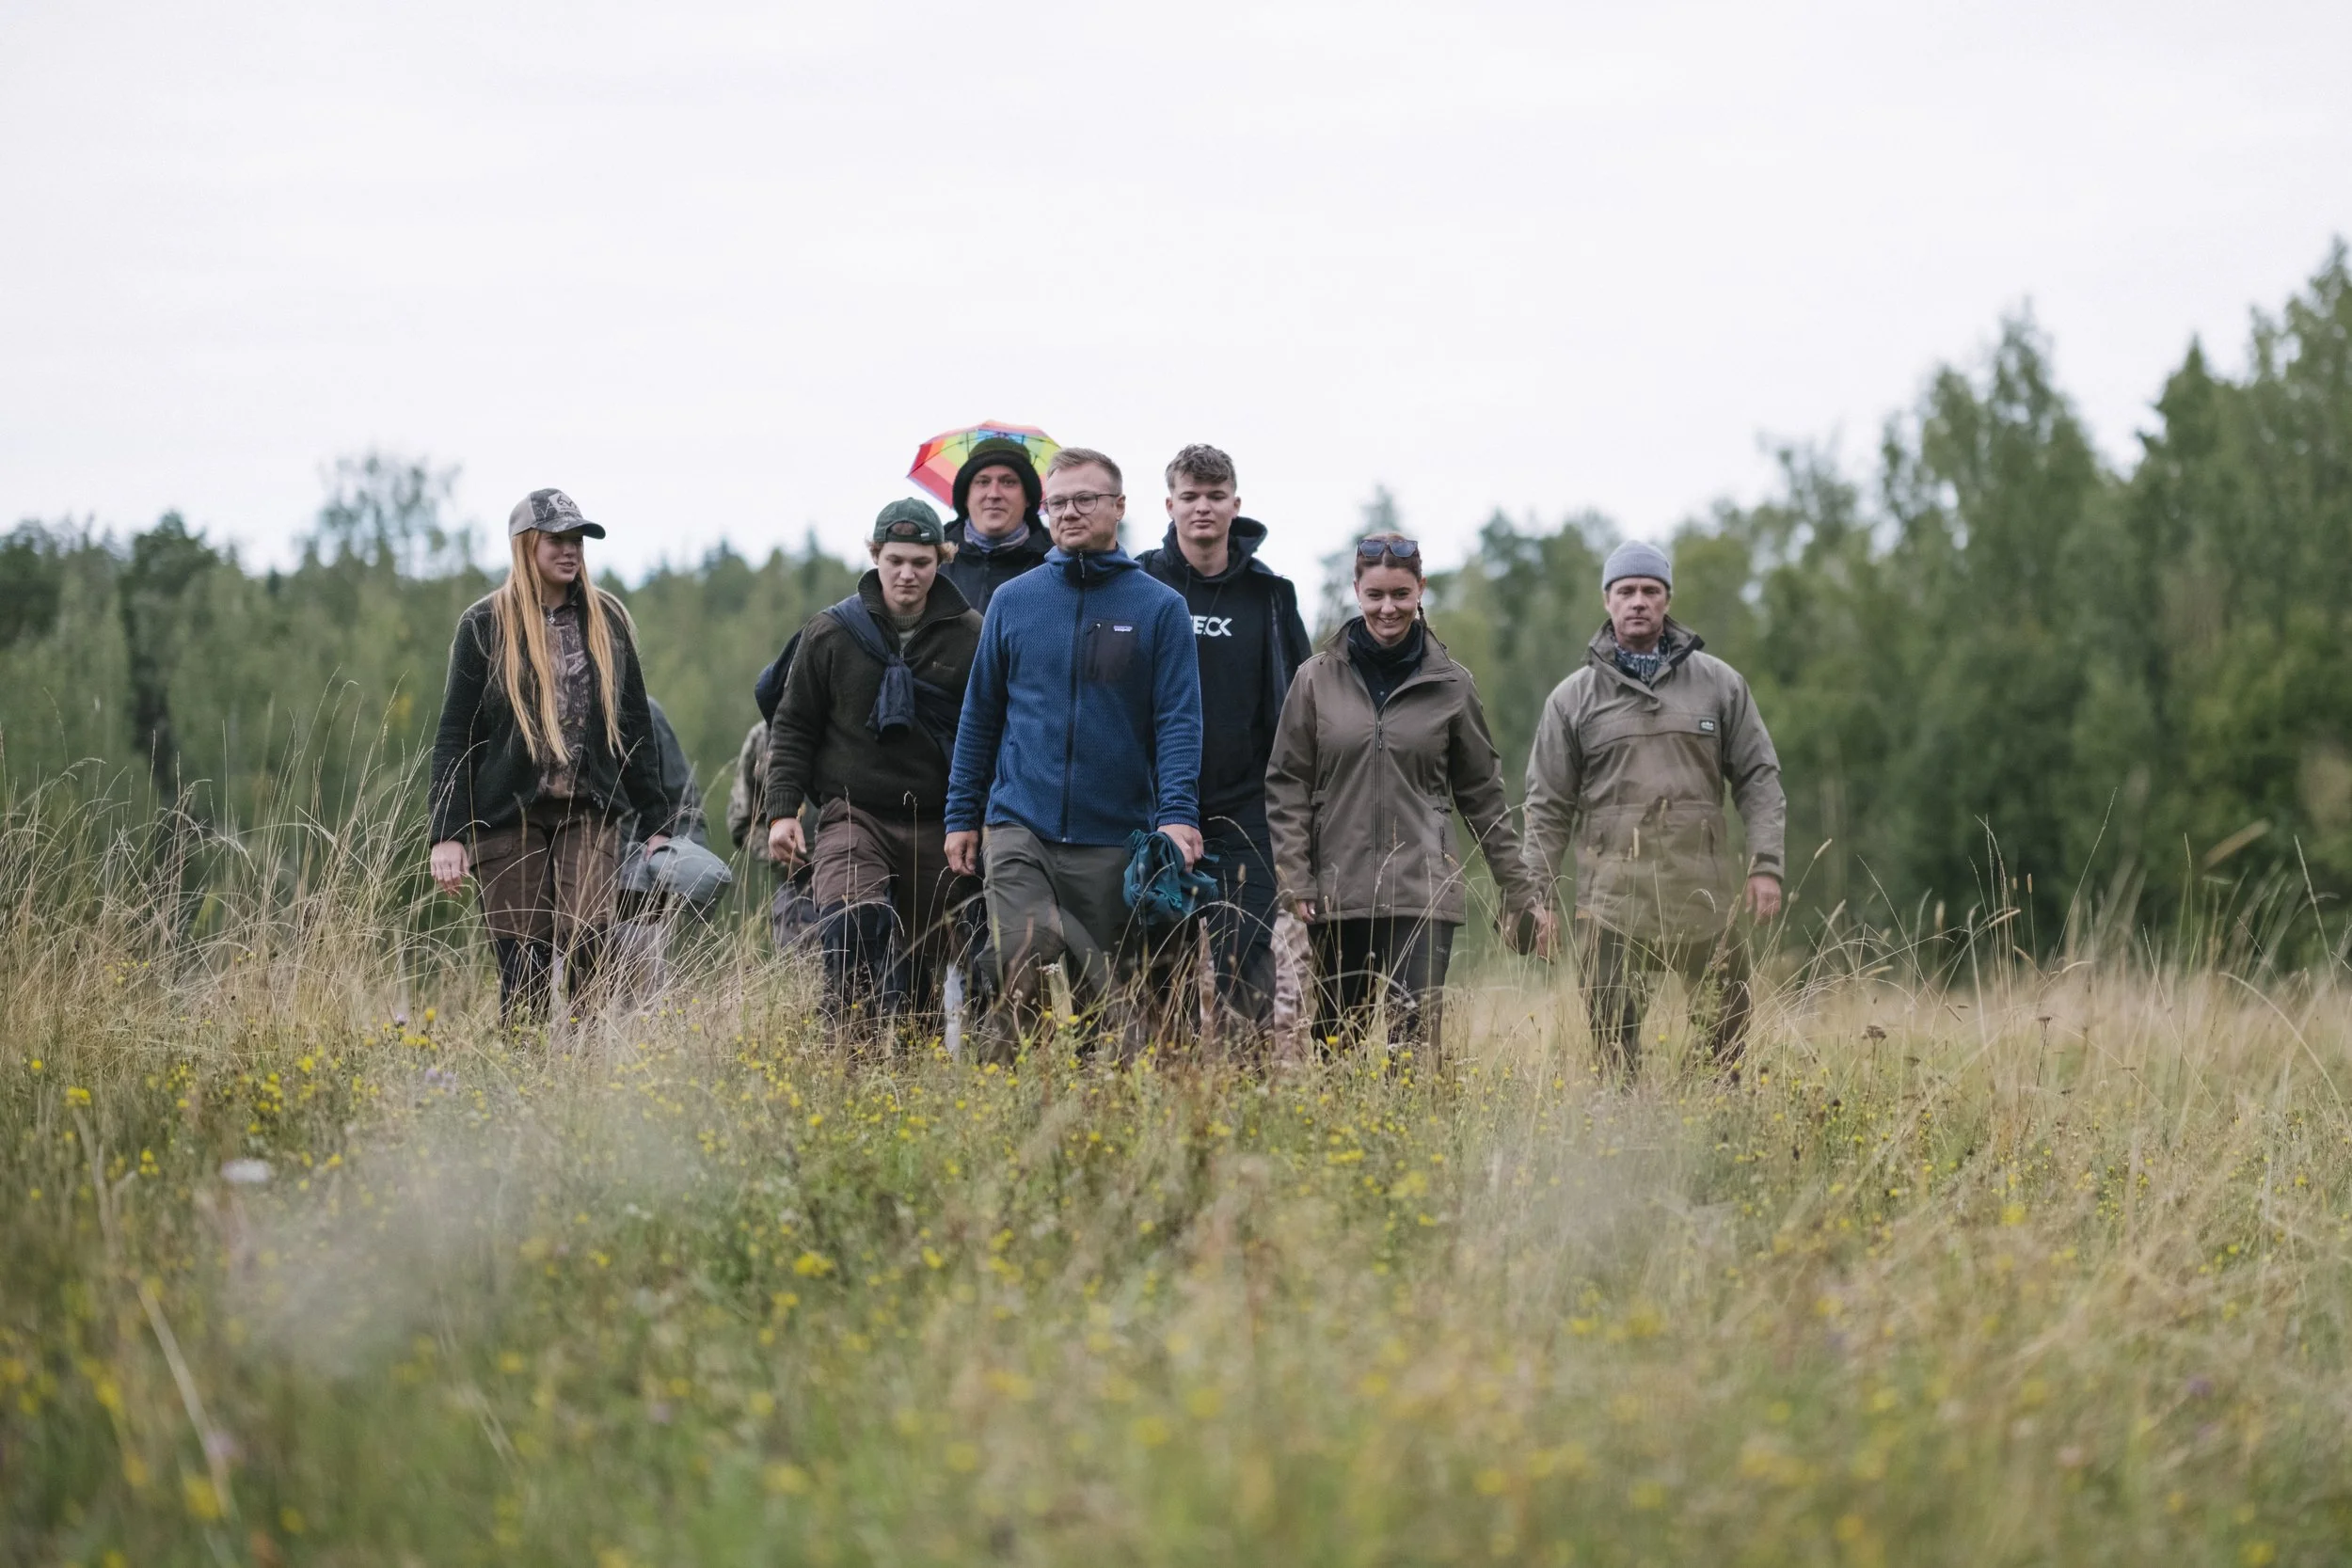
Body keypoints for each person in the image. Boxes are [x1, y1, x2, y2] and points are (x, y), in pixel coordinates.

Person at [944, 447, 1204, 1046]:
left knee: (1107, 1002)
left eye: (1085, 499)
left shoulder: (1160, 608)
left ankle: (1092, 1119)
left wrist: (1177, 816)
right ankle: (1002, 1103)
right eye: (1057, 502)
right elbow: (980, 716)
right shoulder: (1014, 600)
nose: (1069, 512)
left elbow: (1178, 723)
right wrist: (962, 815)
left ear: (1118, 507)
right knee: (1020, 954)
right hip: (1018, 825)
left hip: (1113, 835)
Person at [1263, 532, 1548, 1059]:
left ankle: (1413, 1140)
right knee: (1334, 1049)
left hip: (1423, 895)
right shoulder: (1315, 680)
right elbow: (1287, 784)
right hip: (1336, 895)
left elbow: (1484, 798)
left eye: (1400, 594)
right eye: (1375, 596)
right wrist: (1295, 876)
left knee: (1413, 1051)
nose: (1388, 608)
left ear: (1420, 589)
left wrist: (1520, 890)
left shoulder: (1452, 686)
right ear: (1357, 591)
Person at [1522, 540, 1786, 1082]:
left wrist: (1765, 865)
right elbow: (1547, 807)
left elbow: (1759, 778)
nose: (1638, 600)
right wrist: (1536, 896)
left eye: (1650, 590)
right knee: (1615, 1055)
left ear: (1668, 599)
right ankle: (1628, 1143)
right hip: (1612, 905)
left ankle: (1716, 1140)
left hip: (1703, 895)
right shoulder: (1571, 701)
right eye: (1626, 591)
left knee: (1726, 1042)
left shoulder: (1720, 684)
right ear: (1607, 600)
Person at [428, 489, 672, 1025]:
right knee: (524, 964)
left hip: (588, 811)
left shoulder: (608, 620)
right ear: (526, 546)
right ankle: (525, 1081)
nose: (571, 551)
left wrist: (657, 823)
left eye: (577, 540)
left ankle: (584, 1080)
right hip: (506, 816)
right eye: (557, 540)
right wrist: (447, 833)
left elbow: (635, 727)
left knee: (591, 944)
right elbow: (455, 734)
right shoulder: (484, 624)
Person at [766, 499, 984, 1027]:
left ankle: (911, 1077)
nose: (907, 574)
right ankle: (847, 1061)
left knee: (924, 965)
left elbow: (987, 732)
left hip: (937, 819)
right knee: (851, 926)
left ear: (942, 559)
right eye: (895, 561)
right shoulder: (832, 632)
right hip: (852, 812)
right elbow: (794, 724)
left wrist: (977, 819)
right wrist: (783, 811)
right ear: (876, 556)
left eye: (921, 562)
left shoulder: (973, 634)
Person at [1136, 443, 1311, 1041]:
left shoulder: (1270, 595)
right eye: (1190, 497)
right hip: (1154, 811)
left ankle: (1246, 1100)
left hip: (1246, 812)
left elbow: (1299, 705)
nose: (1203, 508)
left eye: (1215, 497)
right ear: (1169, 505)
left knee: (1246, 967)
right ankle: (1173, 1101)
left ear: (1236, 504)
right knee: (1162, 970)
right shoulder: (1139, 582)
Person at [726, 718, 821, 952]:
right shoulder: (763, 737)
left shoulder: (843, 726)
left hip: (858, 872)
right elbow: (743, 821)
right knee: (797, 969)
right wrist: (780, 856)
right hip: (797, 881)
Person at [939, 437, 1051, 614]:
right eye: (983, 482)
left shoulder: (1056, 562)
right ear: (966, 496)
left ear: (1028, 498)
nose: (994, 494)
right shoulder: (932, 559)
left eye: (1008, 482)